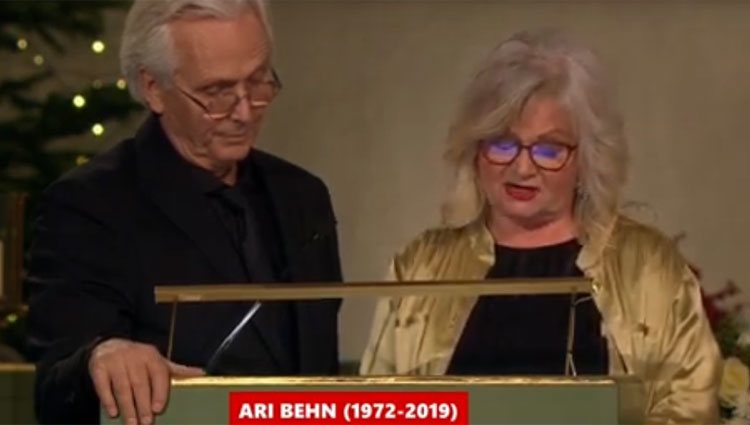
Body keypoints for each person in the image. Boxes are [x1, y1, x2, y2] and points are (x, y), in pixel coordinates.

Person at [359, 29, 720, 424]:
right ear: (474, 150)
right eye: (502, 144)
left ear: (587, 159)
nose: (522, 167)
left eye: (549, 149)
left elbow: (690, 409)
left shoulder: (650, 266)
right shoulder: (422, 266)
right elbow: (378, 407)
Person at [26, 1, 342, 424]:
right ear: (153, 88)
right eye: (217, 92)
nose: (245, 111)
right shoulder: (88, 206)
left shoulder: (303, 196)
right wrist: (101, 356)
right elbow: (56, 388)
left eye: (258, 81)